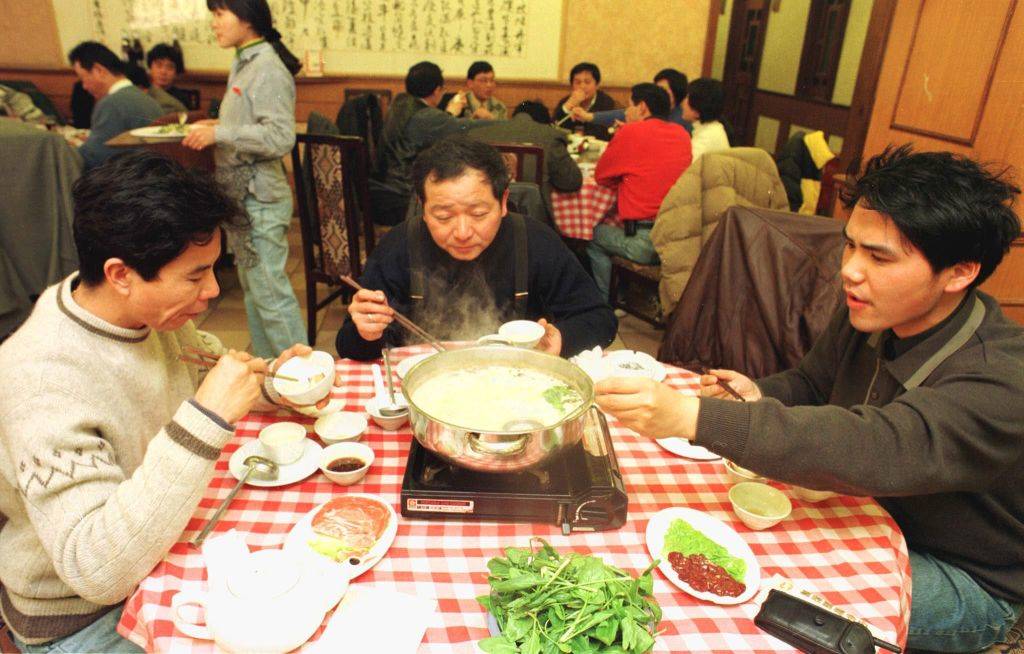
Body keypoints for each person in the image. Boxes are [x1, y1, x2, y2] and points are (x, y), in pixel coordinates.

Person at [595, 146, 1024, 653]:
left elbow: (879, 445)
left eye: (879, 257)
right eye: (851, 246)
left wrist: (690, 415)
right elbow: (813, 385)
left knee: (767, 585)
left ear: (959, 272)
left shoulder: (1002, 378)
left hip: (963, 573)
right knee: (716, 545)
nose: (851, 271)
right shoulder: (875, 309)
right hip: (868, 508)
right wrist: (761, 392)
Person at [0, 151, 315, 653]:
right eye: (195, 275)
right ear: (121, 274)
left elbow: (210, 373)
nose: (212, 290)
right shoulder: (43, 381)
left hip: (156, 548)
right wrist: (207, 418)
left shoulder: (143, 314)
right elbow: (94, 570)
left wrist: (279, 383)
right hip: (83, 615)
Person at [337, 137, 616, 361]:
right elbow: (349, 346)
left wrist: (561, 337)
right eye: (443, 216)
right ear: (423, 207)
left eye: (479, 213)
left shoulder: (534, 241)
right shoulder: (399, 246)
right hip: (426, 384)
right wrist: (365, 332)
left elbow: (600, 320)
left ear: (503, 202)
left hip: (517, 382)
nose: (462, 232)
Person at [183, 0, 307, 359]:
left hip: (260, 197)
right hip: (243, 195)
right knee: (256, 292)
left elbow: (281, 137)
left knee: (270, 294)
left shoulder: (267, 66)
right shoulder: (245, 61)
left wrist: (220, 133)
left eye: (220, 13)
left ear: (247, 17)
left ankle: (306, 374)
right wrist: (218, 126)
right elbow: (252, 125)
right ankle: (271, 371)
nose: (214, 23)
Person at [587, 83, 692, 299]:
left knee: (592, 236)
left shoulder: (631, 131)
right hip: (676, 241)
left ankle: (603, 303)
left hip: (644, 241)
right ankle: (623, 293)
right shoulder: (682, 134)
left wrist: (623, 136)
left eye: (629, 106)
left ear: (642, 107)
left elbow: (601, 176)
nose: (626, 112)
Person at [370, 61, 488, 226]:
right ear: (437, 90)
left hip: (380, 193)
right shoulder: (425, 116)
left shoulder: (399, 103)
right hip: (403, 198)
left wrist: (448, 115)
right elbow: (466, 129)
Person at [468, 100, 583, 214]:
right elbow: (571, 181)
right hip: (535, 216)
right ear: (544, 122)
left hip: (482, 211)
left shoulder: (476, 135)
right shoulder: (551, 136)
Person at [68, 41, 163, 169]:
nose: (84, 86)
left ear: (98, 70)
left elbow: (93, 159)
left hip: (134, 177)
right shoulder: (145, 98)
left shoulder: (111, 104)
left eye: (83, 78)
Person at [573, 68, 691, 134]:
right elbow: (623, 113)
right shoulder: (652, 109)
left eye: (662, 89)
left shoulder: (681, 120)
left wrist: (629, 131)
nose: (657, 92)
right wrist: (587, 116)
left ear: (676, 93)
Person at [552, 62, 618, 141]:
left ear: (597, 85)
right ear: (572, 85)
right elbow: (553, 128)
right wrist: (568, 106)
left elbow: (603, 133)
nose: (582, 86)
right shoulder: (567, 101)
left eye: (587, 82)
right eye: (578, 82)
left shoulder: (607, 103)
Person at [682, 77, 730, 160]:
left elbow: (687, 166)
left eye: (687, 97)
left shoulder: (706, 139)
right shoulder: (713, 128)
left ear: (697, 112)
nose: (683, 102)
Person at [147, 42, 193, 109]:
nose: (163, 72)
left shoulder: (181, 99)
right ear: (150, 68)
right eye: (159, 65)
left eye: (170, 67)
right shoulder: (143, 94)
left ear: (176, 72)